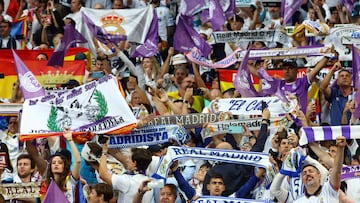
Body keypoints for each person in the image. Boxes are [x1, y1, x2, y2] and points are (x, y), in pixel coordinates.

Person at [294, 136, 346, 202]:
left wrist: (341, 148)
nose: (308, 174)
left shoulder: (329, 190)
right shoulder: (298, 201)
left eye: (310, 171)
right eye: (304, 173)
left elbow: (337, 171)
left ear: (319, 175)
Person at [39, 129, 81, 203]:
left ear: (65, 166)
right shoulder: (46, 185)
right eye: (53, 162)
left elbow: (78, 161)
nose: (56, 164)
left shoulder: (71, 180)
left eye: (60, 162)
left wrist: (70, 140)